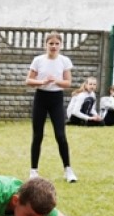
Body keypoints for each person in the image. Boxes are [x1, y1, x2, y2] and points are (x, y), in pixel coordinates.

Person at [25, 32, 77, 182]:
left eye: (56, 44)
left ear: (60, 45)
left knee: (60, 135)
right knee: (37, 135)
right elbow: (28, 80)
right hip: (41, 98)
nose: (53, 46)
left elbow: (68, 83)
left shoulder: (64, 61)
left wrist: (56, 80)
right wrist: (41, 82)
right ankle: (33, 171)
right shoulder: (38, 60)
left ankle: (68, 170)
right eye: (51, 43)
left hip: (56, 99)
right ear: (45, 45)